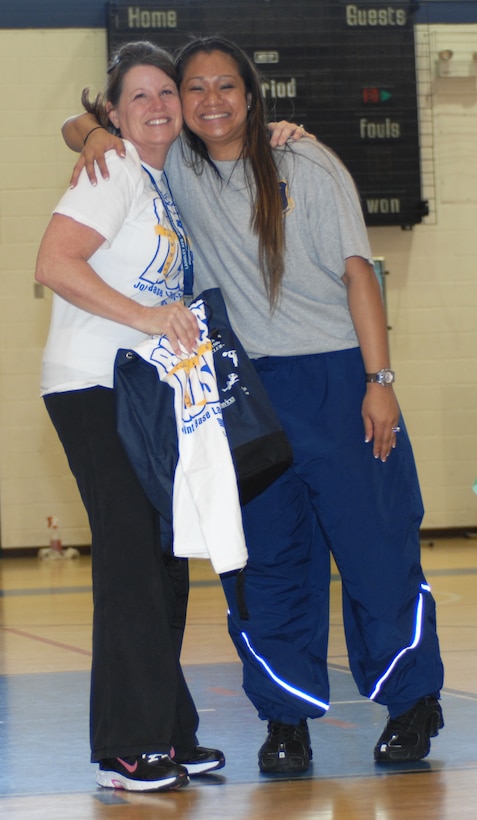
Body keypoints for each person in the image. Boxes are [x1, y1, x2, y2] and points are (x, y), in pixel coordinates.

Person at [62, 36, 444, 775]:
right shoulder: (175, 166)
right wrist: (95, 132)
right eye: (193, 87)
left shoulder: (306, 161)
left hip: (337, 382)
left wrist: (380, 380)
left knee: (377, 552)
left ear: (251, 94)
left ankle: (410, 705)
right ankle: (284, 719)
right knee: (268, 566)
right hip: (246, 393)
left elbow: (357, 271)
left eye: (225, 85)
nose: (210, 100)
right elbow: (81, 128)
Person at [35, 41, 227, 793]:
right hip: (92, 386)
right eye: (137, 96)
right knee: (130, 564)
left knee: (161, 560)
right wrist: (148, 316)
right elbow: (54, 264)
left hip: (145, 393)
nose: (156, 105)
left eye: (164, 93)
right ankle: (125, 747)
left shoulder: (159, 177)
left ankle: (166, 732)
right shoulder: (112, 168)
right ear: (112, 113)